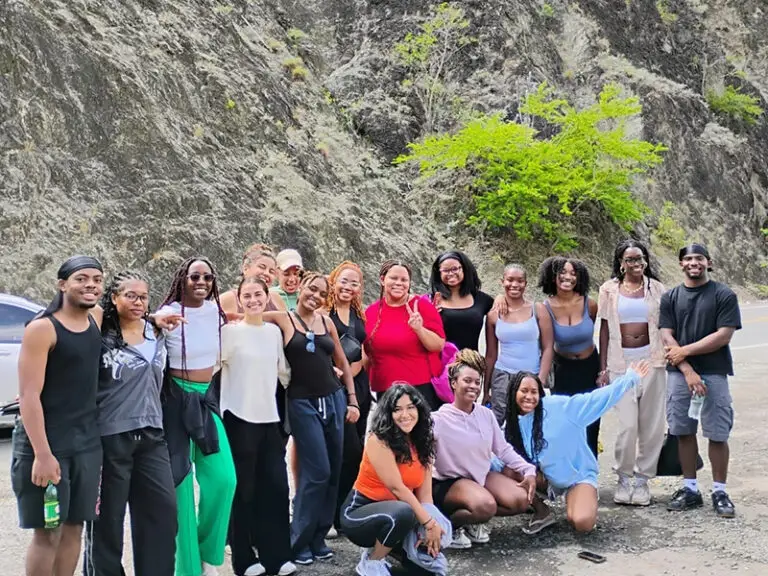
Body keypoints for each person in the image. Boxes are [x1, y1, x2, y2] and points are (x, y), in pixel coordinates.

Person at [12, 256, 105, 576]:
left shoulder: (96, 317)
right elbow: (28, 397)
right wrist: (42, 454)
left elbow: (136, 315)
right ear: (62, 284)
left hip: (87, 446)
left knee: (74, 527)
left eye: (96, 279)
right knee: (47, 532)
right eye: (81, 278)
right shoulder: (42, 328)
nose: (90, 284)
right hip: (48, 446)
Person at [83, 270, 177, 576]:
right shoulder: (100, 336)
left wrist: (152, 318)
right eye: (130, 295)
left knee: (163, 515)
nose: (138, 301)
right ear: (114, 298)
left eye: (144, 296)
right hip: (110, 437)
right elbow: (86, 309)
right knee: (107, 521)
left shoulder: (157, 333)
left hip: (152, 436)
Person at [263, 272, 360, 565]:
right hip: (302, 403)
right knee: (315, 472)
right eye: (311, 289)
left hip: (334, 399)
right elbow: (244, 316)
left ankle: (318, 537)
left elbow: (341, 361)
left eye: (321, 293)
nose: (315, 296)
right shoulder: (283, 319)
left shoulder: (326, 321)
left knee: (332, 472)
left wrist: (352, 399)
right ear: (301, 288)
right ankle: (298, 540)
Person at [157, 257, 237, 576]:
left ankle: (208, 553)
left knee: (223, 479)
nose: (201, 281)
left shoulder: (216, 312)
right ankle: (187, 569)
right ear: (183, 279)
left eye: (207, 276)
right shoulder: (169, 312)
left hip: (205, 399)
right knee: (180, 484)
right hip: (175, 398)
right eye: (194, 276)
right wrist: (156, 321)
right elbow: (147, 327)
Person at [505, 361, 650, 533]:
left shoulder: (559, 407)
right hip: (547, 479)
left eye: (534, 392)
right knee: (507, 469)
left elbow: (596, 399)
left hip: (577, 476)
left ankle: (580, 498)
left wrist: (629, 379)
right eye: (524, 391)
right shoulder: (512, 425)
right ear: (514, 392)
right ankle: (541, 510)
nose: (529, 397)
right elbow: (496, 450)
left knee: (581, 523)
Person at [220, 277, 296, 576]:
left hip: (269, 419)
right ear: (239, 299)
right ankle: (243, 557)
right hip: (238, 417)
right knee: (244, 490)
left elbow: (284, 373)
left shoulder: (273, 333)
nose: (253, 300)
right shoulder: (229, 332)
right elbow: (211, 366)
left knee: (276, 487)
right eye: (246, 296)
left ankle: (277, 554)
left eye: (258, 295)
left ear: (267, 297)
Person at [660, 243, 741, 518]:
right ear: (681, 264)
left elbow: (724, 335)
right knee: (683, 430)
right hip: (680, 374)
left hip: (715, 372)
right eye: (688, 258)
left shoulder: (723, 295)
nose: (693, 262)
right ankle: (690, 488)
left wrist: (686, 350)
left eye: (699, 258)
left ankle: (719, 491)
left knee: (718, 432)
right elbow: (666, 336)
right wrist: (686, 368)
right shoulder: (670, 297)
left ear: (709, 262)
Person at [431, 350, 535, 549]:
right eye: (467, 380)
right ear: (453, 383)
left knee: (522, 499)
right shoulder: (438, 419)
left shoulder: (485, 415)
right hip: (449, 481)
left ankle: (472, 521)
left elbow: (503, 449)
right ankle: (447, 526)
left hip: (479, 476)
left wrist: (527, 469)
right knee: (486, 506)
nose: (473, 386)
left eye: (477, 382)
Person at [340, 384, 445, 576]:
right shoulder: (378, 440)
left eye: (410, 407)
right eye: (397, 409)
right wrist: (429, 523)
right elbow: (397, 489)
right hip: (359, 514)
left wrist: (431, 531)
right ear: (388, 414)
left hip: (399, 513)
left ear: (419, 409)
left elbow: (425, 498)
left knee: (430, 560)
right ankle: (372, 560)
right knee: (405, 512)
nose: (405, 414)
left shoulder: (424, 441)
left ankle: (398, 549)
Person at [598, 240, 667, 506]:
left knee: (651, 425)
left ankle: (642, 480)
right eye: (630, 260)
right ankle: (624, 477)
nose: (636, 264)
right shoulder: (609, 290)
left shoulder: (657, 289)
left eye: (639, 259)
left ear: (645, 261)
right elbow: (603, 329)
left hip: (653, 361)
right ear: (621, 262)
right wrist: (603, 366)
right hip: (620, 362)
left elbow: (666, 324)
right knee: (627, 425)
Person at [323, 261, 373, 533]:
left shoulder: (358, 314)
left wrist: (358, 367)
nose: (348, 287)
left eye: (354, 283)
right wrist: (342, 371)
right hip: (335, 388)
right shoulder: (323, 312)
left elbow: (366, 347)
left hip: (360, 388)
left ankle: (344, 512)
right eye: (344, 281)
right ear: (333, 281)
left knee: (355, 453)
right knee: (343, 451)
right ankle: (328, 513)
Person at [539, 256, 600, 455]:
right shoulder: (545, 307)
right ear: (552, 276)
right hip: (563, 368)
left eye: (573, 273)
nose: (568, 277)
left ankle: (589, 474)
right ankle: (565, 472)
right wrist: (542, 377)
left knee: (591, 420)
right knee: (564, 420)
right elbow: (546, 345)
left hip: (590, 366)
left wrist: (603, 370)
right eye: (562, 273)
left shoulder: (589, 304)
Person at [365, 260, 446, 410]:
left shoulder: (421, 306)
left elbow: (438, 345)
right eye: (394, 278)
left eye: (404, 280)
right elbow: (366, 351)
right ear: (382, 280)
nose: (399, 283)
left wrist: (419, 329)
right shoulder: (371, 311)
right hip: (385, 388)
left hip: (420, 388)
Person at [484, 264, 554, 426]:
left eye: (520, 281)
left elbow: (548, 347)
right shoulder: (493, 315)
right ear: (502, 282)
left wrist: (540, 380)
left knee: (532, 422)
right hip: (503, 376)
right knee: (498, 422)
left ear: (526, 284)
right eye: (510, 280)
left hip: (532, 374)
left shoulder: (538, 310)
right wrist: (486, 388)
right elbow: (491, 354)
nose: (514, 285)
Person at [429, 250, 494, 351]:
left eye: (455, 269)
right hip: (439, 363)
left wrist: (500, 298)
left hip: (470, 362)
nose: (451, 273)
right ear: (439, 273)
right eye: (445, 270)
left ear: (464, 269)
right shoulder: (429, 300)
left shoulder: (481, 299)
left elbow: (507, 312)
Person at [220, 243, 285, 317]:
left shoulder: (276, 299)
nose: (267, 273)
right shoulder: (227, 299)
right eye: (262, 267)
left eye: (271, 271)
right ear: (245, 268)